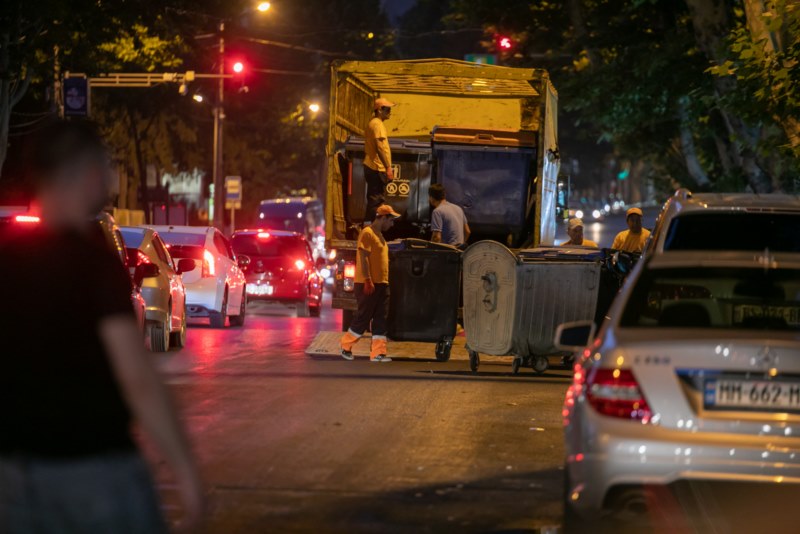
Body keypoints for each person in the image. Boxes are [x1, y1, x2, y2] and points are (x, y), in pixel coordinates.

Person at [0, 121, 203, 533]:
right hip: (94, 468)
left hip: (13, 475)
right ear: (90, 173)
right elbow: (137, 378)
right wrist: (186, 471)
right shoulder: (93, 264)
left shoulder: (6, 260)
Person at [340, 204, 401, 362]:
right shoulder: (368, 233)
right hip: (368, 283)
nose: (392, 224)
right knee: (363, 317)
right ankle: (346, 345)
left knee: (381, 318)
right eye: (391, 220)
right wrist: (368, 280)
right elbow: (363, 257)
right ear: (383, 218)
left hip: (381, 284)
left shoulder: (379, 235)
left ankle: (378, 353)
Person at [363, 98, 395, 223]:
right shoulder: (377, 124)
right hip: (376, 167)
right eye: (387, 109)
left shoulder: (374, 123)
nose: (390, 112)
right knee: (376, 200)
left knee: (375, 199)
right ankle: (369, 227)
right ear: (380, 110)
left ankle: (369, 226)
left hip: (373, 166)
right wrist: (388, 167)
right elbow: (380, 147)